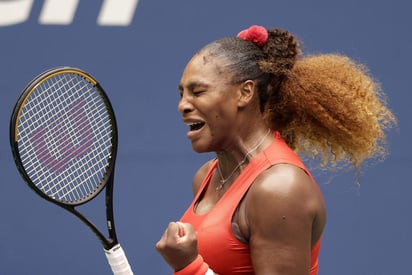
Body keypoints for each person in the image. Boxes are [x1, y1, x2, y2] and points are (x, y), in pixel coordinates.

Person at [156, 25, 397, 275]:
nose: (183, 105)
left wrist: (191, 267)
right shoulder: (208, 176)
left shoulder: (279, 188)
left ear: (245, 92)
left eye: (198, 92)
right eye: (181, 94)